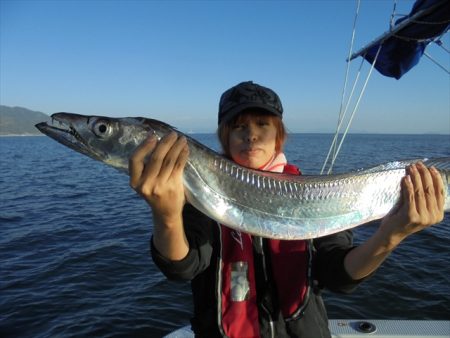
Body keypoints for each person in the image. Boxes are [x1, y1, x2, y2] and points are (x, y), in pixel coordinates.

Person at [129, 81, 444, 338]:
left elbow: (340, 275)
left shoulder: (315, 195)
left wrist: (390, 236)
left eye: (262, 124)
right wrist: (166, 215)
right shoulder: (200, 195)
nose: (250, 134)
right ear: (224, 138)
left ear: (279, 136)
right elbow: (183, 267)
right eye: (238, 127)